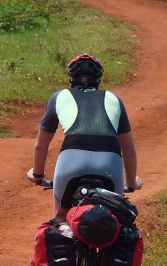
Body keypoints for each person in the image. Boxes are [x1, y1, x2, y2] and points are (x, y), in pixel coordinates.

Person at [27, 54, 142, 223]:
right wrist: (132, 182)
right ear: (99, 80)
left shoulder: (59, 97)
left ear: (71, 80)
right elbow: (128, 149)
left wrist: (37, 175)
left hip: (71, 159)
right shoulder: (114, 99)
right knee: (116, 220)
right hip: (110, 161)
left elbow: (41, 145)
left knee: (60, 218)